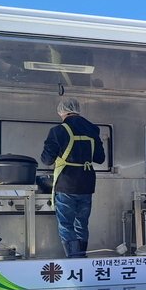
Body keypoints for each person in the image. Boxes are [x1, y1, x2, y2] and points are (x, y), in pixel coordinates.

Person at [41, 98, 105, 258]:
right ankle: (81, 257)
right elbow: (100, 158)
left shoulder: (58, 131)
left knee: (66, 224)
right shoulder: (93, 130)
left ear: (62, 111)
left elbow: (46, 160)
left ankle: (74, 258)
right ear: (77, 110)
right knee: (81, 223)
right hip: (87, 183)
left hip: (66, 183)